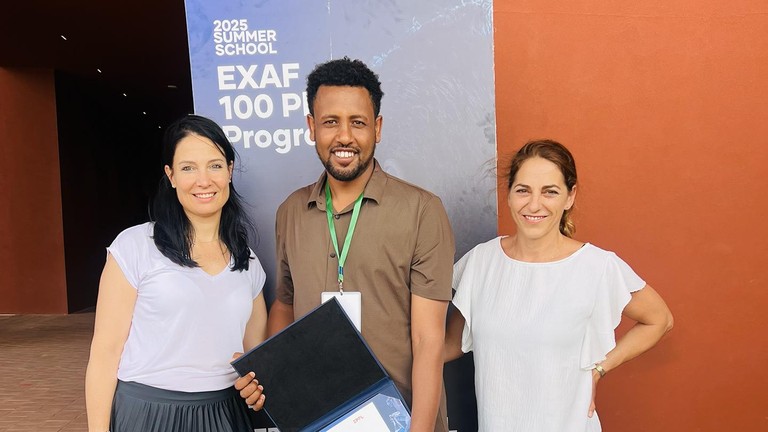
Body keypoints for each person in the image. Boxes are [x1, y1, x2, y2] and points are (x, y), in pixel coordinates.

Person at [237, 57, 455, 432]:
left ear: (378, 128)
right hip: (316, 416)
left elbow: (428, 339)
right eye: (330, 122)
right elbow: (285, 305)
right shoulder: (290, 211)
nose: (344, 137)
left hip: (400, 418)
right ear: (311, 127)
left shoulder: (422, 211)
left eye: (358, 122)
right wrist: (269, 375)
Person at [444, 139, 674, 431]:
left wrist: (599, 370)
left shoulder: (597, 266)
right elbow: (450, 345)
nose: (534, 204)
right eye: (523, 190)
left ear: (569, 196)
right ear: (510, 195)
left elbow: (660, 320)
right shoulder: (480, 262)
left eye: (550, 192)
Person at [85, 115, 268, 432]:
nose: (203, 180)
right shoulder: (134, 247)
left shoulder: (248, 261)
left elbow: (254, 361)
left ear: (229, 170)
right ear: (170, 175)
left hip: (227, 416)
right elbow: (104, 356)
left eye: (214, 165)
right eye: (188, 168)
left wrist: (256, 388)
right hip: (148, 415)